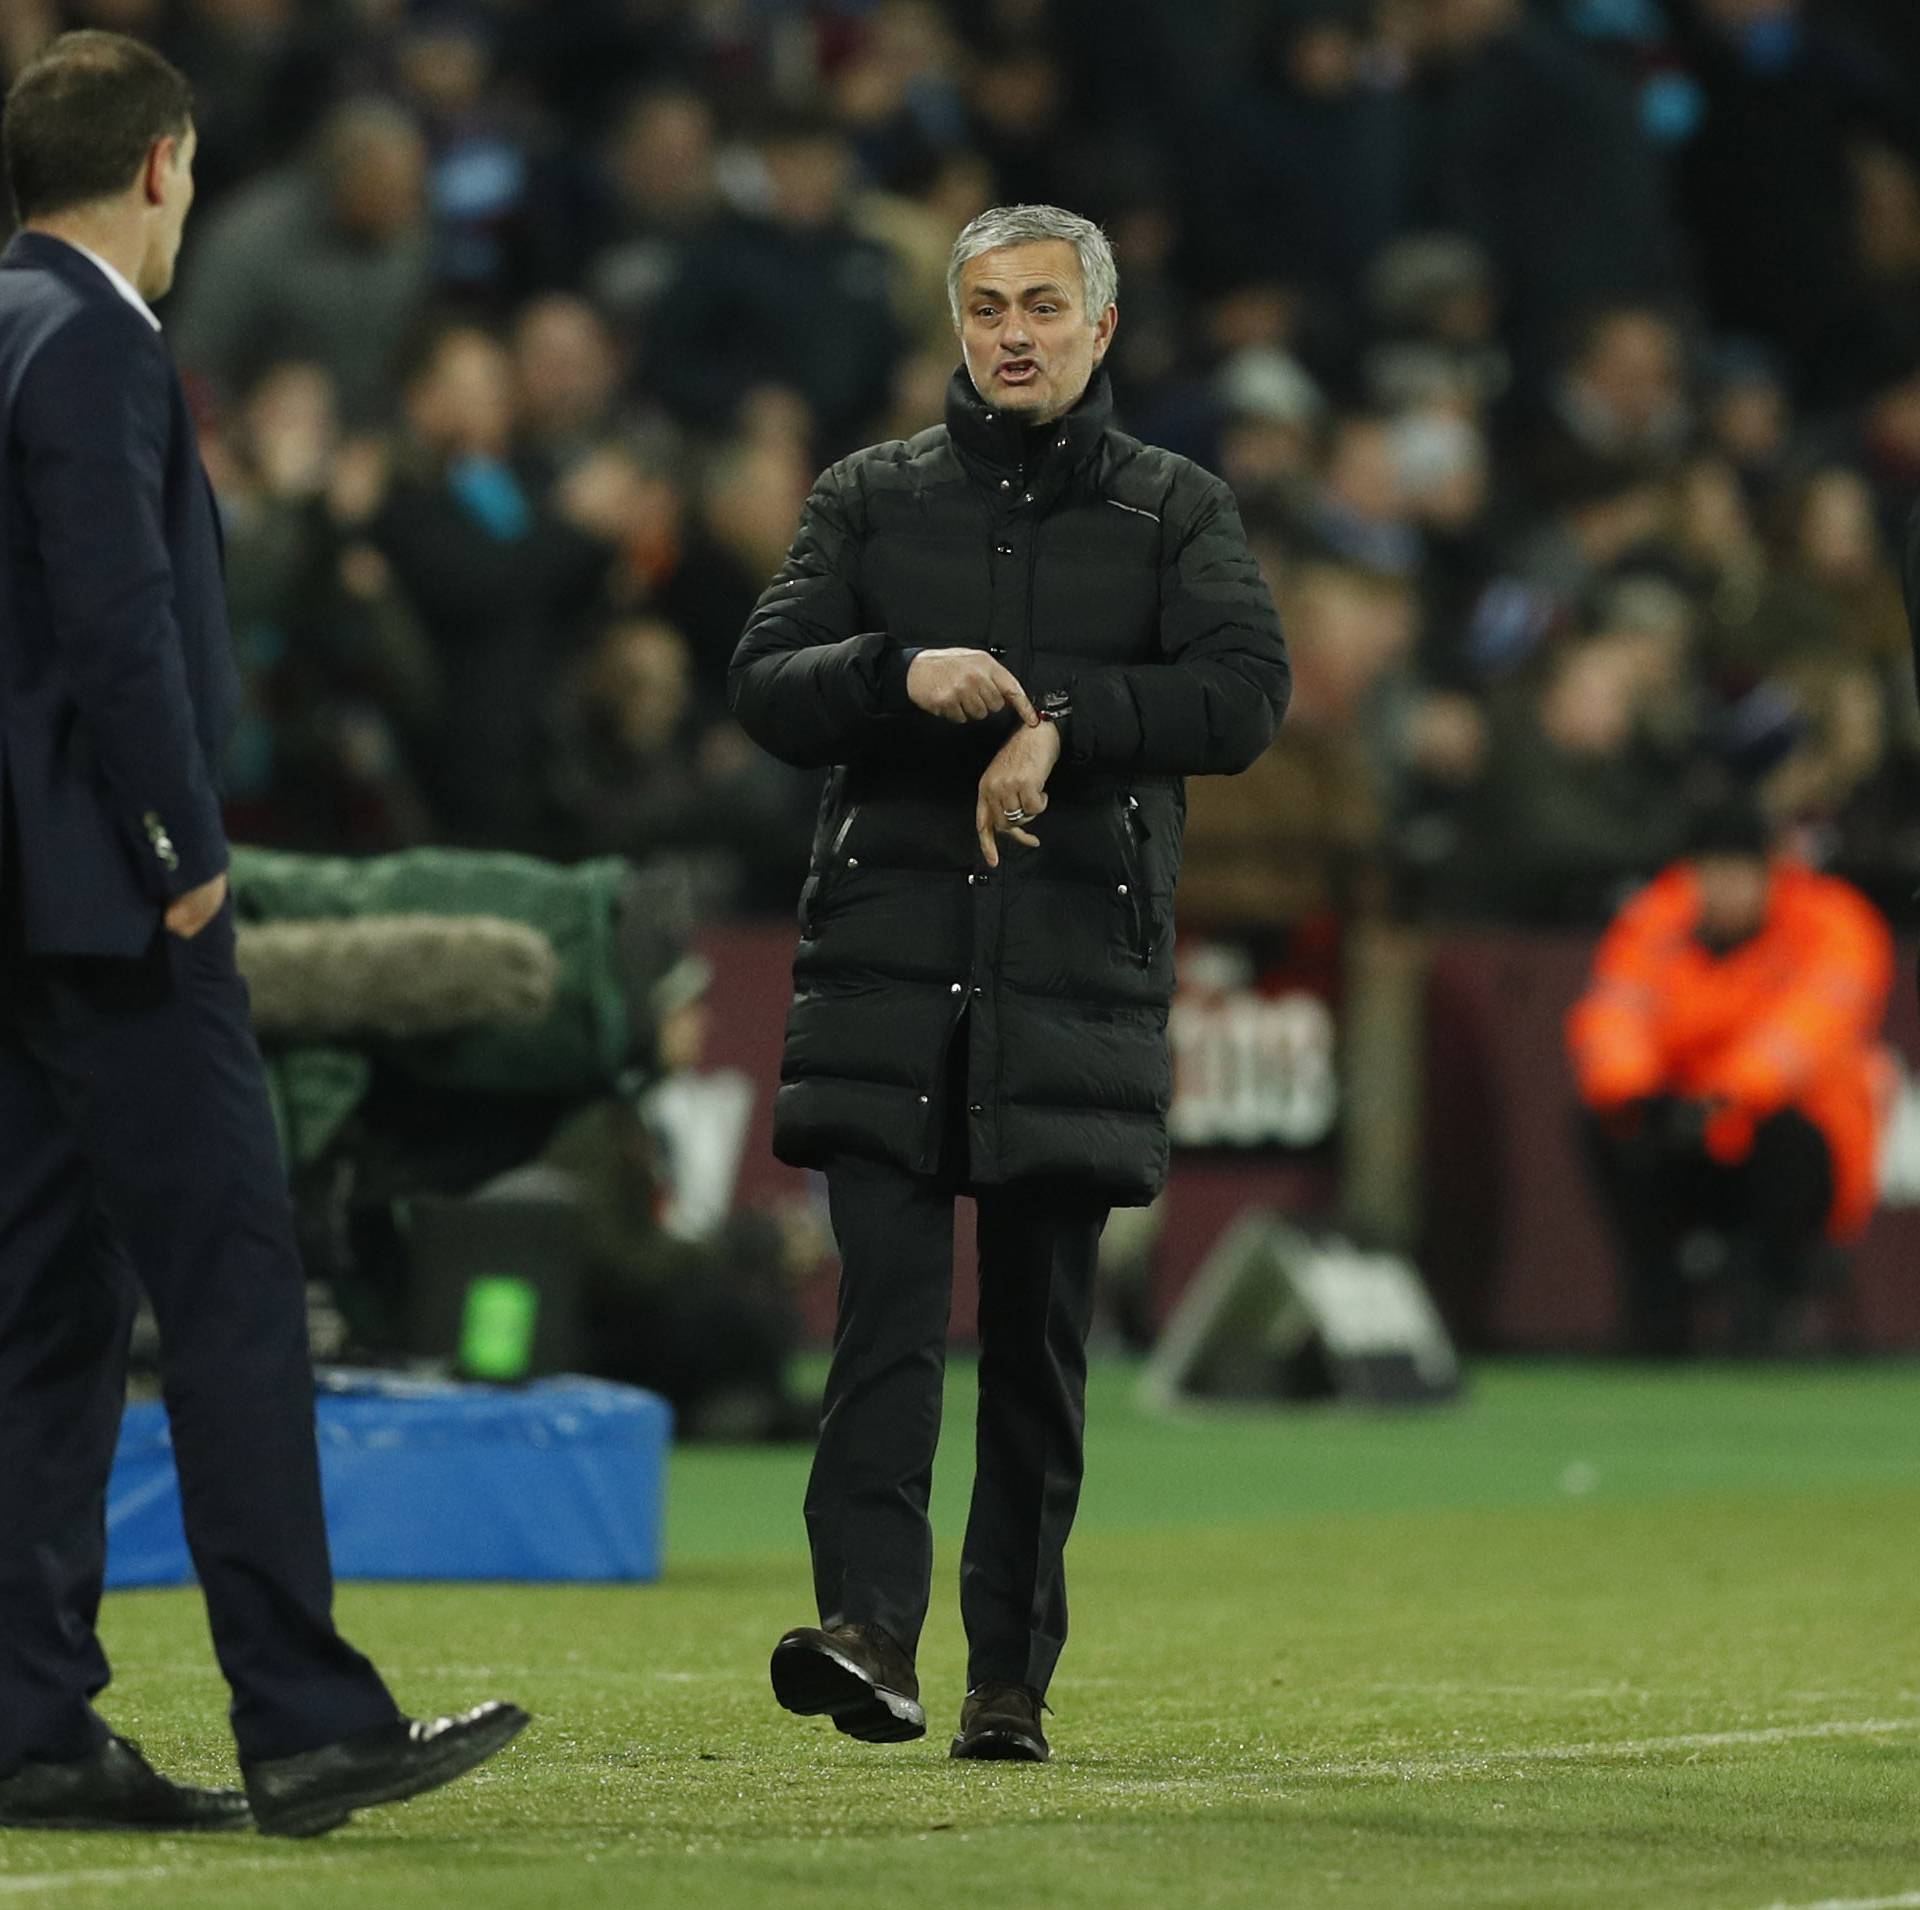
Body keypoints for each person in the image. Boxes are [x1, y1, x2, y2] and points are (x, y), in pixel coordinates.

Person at [0, 32, 523, 1839]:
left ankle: (27, 1725)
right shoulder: (97, 345)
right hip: (114, 908)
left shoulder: (0, 328)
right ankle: (303, 1715)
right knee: (231, 1293)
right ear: (161, 167)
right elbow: (115, 618)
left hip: (17, 918)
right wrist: (180, 845)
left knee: (47, 1318)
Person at [730, 203, 1289, 1762]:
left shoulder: (1174, 508)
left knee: (1037, 1347)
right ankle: (868, 1633)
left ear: (1103, 329)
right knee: (884, 1323)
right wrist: (890, 674)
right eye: (986, 309)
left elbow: (1247, 695)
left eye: (1044, 305)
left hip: (1067, 984)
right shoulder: (868, 497)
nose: (1014, 334)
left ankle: (1007, 1678)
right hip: (893, 977)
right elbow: (763, 680)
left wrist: (1062, 714)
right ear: (956, 328)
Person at [1567, 800, 1894, 1356]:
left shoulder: (1831, 920)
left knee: (1788, 1139)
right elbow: (1615, 1012)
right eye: (1710, 873)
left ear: (1770, 872)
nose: (1723, 890)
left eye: (1738, 873)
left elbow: (1811, 1028)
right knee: (1609, 1126)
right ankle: (1657, 1307)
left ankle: (1769, 1307)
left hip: (1792, 1139)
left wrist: (1727, 1094)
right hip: (1687, 1131)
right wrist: (1634, 1092)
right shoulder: (1656, 918)